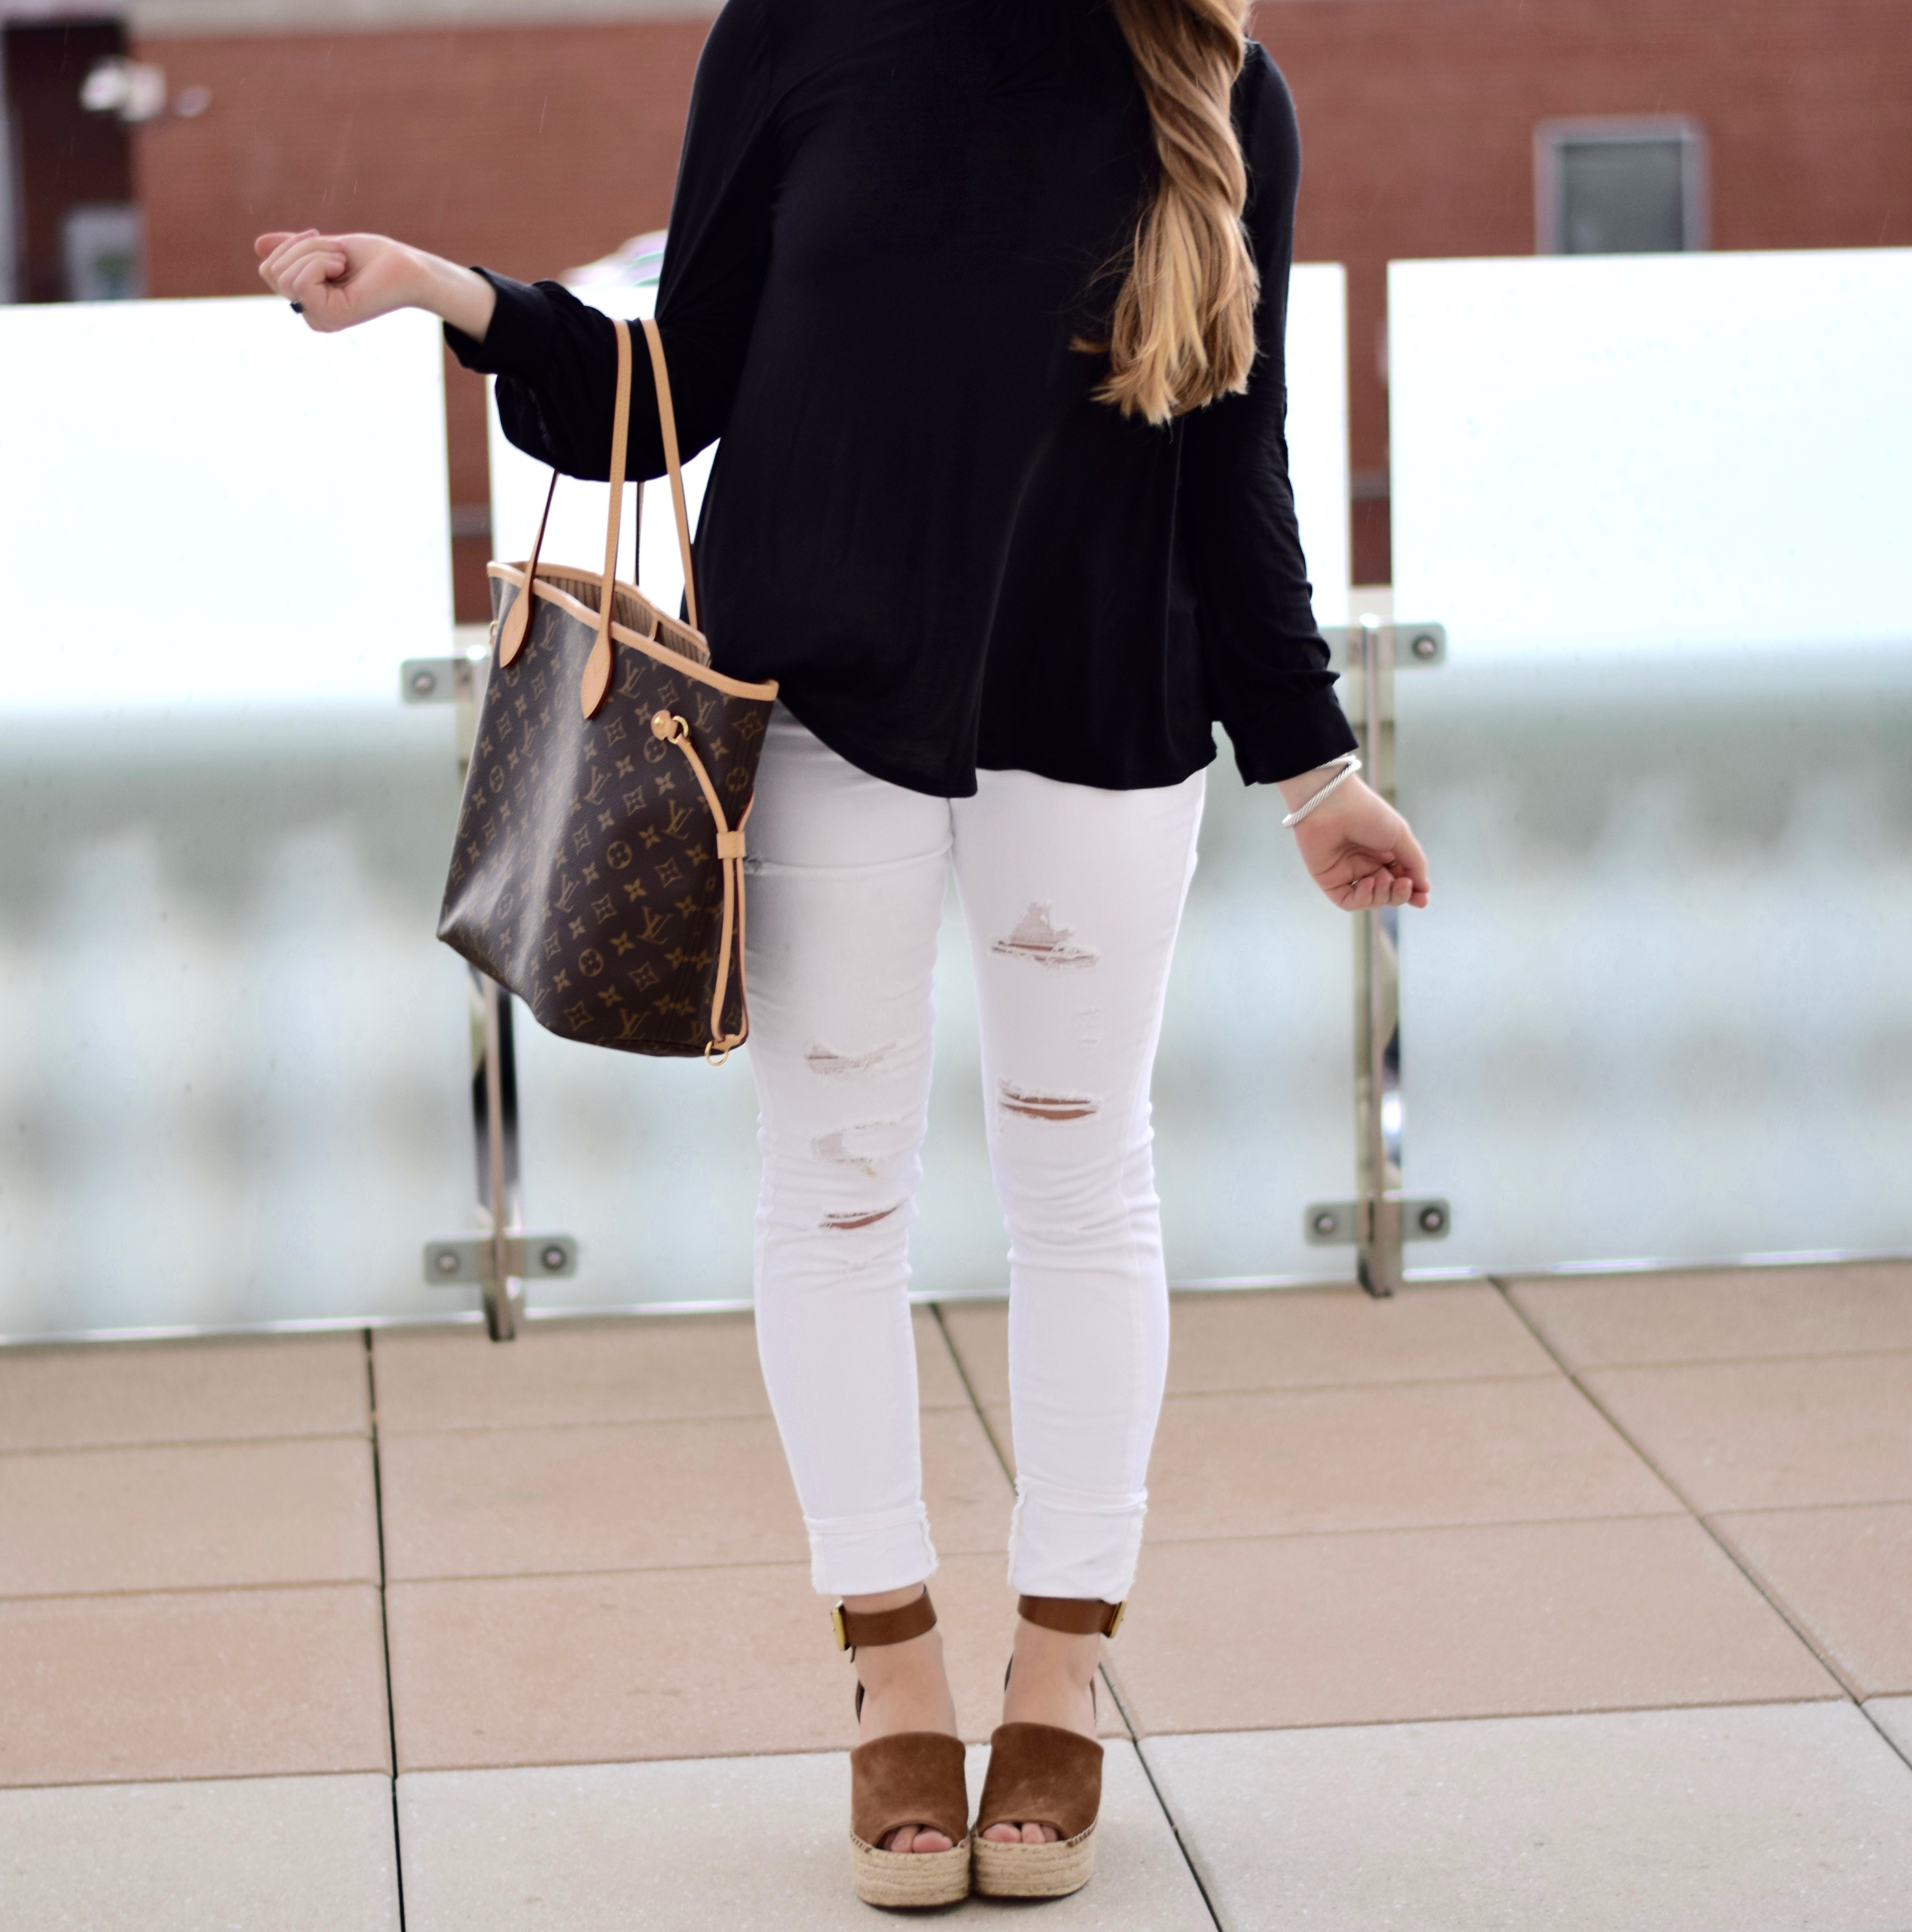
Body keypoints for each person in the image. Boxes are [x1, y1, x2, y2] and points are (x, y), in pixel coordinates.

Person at [258, 0, 1429, 1907]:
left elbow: (1240, 457)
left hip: (1102, 714)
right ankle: (891, 1675)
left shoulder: (1214, 72)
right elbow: (677, 375)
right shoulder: (799, 28)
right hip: (817, 715)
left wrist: (1313, 767)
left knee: (1082, 1182)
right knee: (833, 1189)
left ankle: (1058, 1680)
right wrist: (444, 295)